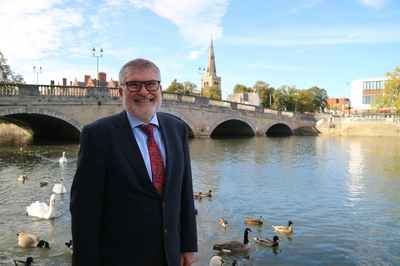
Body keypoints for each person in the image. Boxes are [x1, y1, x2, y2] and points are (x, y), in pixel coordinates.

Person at [70, 58, 198, 265]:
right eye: (134, 84)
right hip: (121, 257)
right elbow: (84, 211)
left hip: (170, 253)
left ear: (160, 88)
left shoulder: (178, 128)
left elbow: (184, 191)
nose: (144, 91)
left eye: (151, 84)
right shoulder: (98, 134)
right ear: (121, 92)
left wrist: (187, 245)